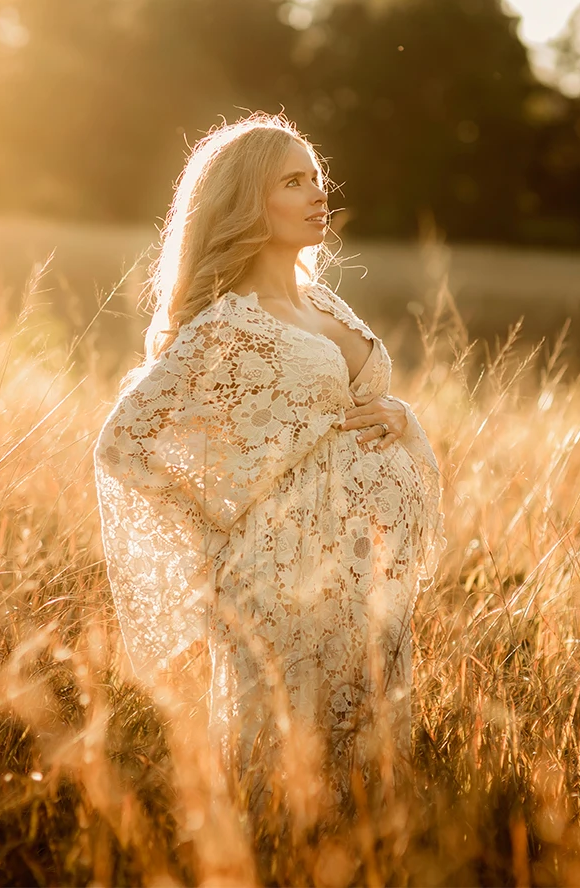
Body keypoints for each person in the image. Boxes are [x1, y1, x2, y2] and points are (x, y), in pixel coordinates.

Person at [93, 113, 443, 800]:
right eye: (293, 181)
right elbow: (125, 444)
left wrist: (401, 420)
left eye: (316, 177)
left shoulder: (326, 304)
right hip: (281, 585)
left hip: (365, 584)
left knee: (366, 775)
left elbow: (358, 407)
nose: (318, 194)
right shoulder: (229, 323)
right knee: (279, 772)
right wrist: (218, 546)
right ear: (248, 201)